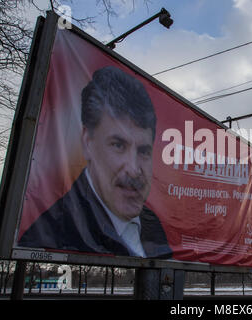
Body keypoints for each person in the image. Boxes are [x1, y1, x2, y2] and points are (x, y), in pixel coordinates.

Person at [18, 66, 172, 259]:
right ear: (87, 142)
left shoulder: (154, 226)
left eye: (143, 151)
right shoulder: (47, 234)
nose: (134, 170)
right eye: (118, 145)